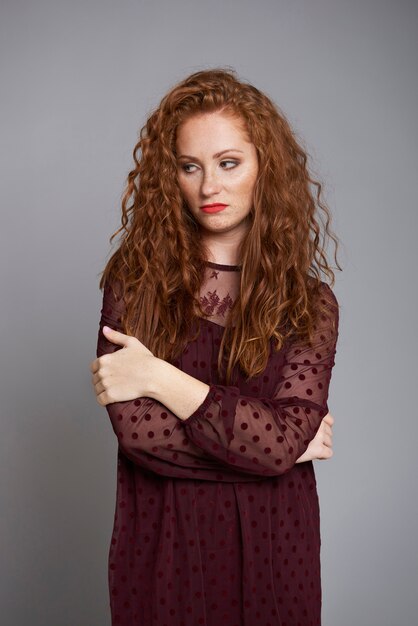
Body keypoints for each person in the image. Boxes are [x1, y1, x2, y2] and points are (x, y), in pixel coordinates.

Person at [89, 67, 341, 626]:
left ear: (264, 169)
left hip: (279, 551)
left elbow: (278, 443)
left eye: (229, 163)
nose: (209, 187)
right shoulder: (135, 284)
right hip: (164, 551)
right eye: (189, 166)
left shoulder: (310, 303)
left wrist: (159, 378)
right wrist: (273, 453)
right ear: (169, 176)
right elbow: (140, 439)